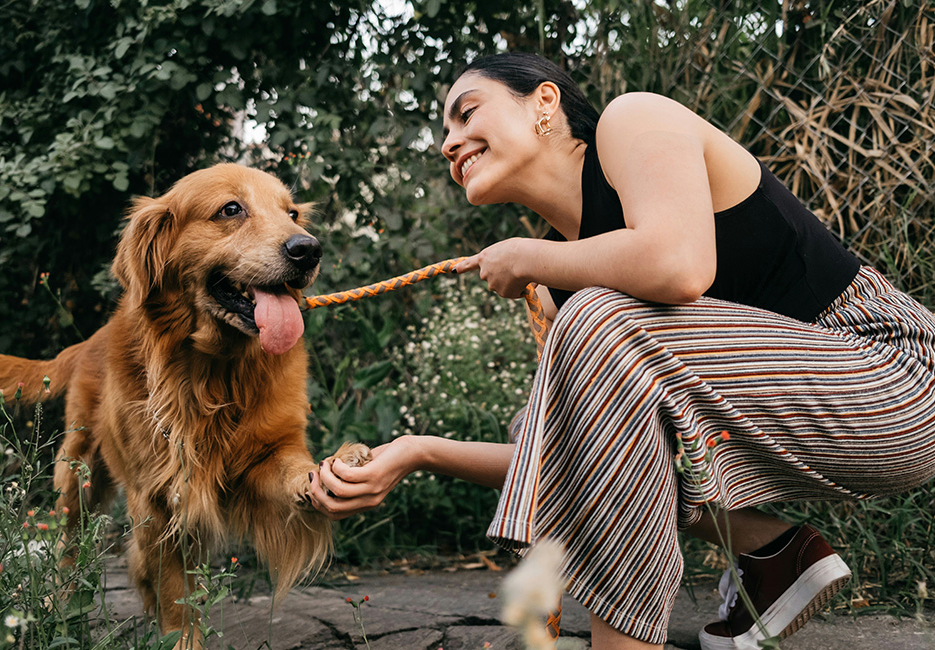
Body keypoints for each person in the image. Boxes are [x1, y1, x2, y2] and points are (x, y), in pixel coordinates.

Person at [307, 52, 935, 650]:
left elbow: (678, 264)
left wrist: (528, 255)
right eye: (443, 132)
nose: (447, 142)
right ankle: (773, 554)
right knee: (552, 416)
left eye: (466, 113)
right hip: (815, 412)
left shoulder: (632, 122)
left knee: (596, 315)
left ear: (543, 103)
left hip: (895, 376)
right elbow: (570, 460)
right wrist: (416, 452)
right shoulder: (563, 288)